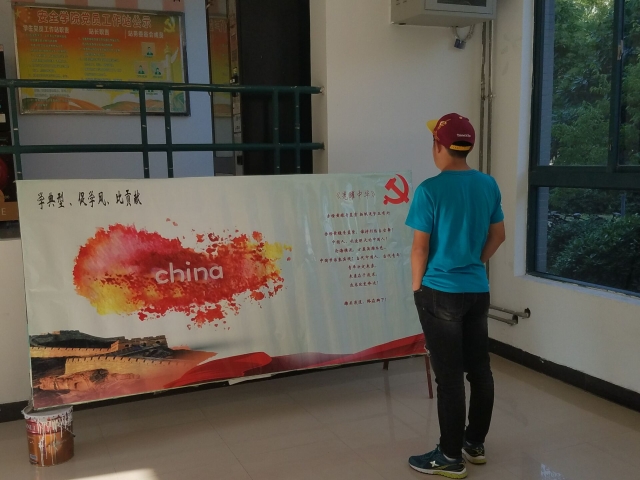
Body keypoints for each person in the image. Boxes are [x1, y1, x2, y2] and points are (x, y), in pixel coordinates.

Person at [405, 113, 505, 478]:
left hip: (440, 292)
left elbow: (420, 248)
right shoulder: (488, 184)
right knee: (479, 370)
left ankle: (449, 456)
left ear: (439, 146)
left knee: (448, 378)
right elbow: (498, 235)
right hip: (477, 290)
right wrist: (474, 262)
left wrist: (417, 288)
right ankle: (473, 443)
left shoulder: (430, 190)